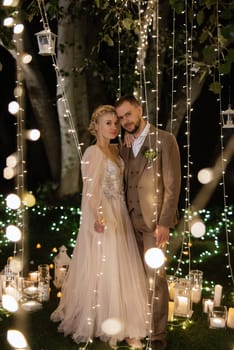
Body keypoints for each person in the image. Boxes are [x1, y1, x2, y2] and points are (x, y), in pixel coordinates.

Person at [51, 105, 149, 348]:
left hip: (121, 211)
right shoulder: (93, 153)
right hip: (105, 214)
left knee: (122, 265)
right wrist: (99, 217)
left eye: (115, 123)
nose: (114, 127)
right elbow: (90, 192)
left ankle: (123, 321)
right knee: (106, 264)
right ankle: (106, 319)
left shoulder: (116, 151)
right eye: (108, 123)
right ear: (96, 126)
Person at [115, 95, 181, 350]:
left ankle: (157, 336)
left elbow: (173, 185)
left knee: (155, 278)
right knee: (131, 276)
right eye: (120, 118)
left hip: (153, 223)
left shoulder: (165, 140)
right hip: (126, 220)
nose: (125, 121)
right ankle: (135, 327)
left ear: (139, 110)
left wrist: (164, 222)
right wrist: (124, 146)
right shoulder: (125, 143)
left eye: (128, 115)